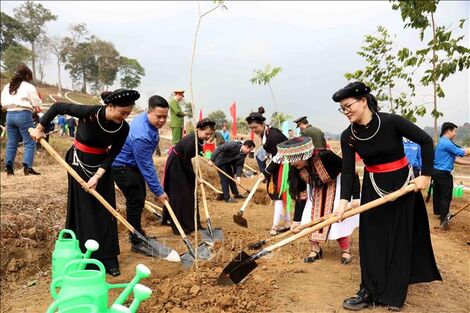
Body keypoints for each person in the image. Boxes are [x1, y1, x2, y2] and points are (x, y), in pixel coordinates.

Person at [332, 82, 441, 311]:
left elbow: (425, 141)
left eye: (348, 105)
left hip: (403, 185)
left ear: (363, 101)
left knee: (399, 239)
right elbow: (349, 171)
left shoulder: (391, 121)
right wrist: (342, 203)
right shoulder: (348, 136)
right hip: (373, 188)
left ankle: (393, 293)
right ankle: (368, 291)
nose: (346, 111)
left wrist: (427, 176)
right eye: (342, 108)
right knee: (372, 240)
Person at [30, 88, 139, 277]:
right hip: (78, 163)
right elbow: (57, 107)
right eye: (122, 113)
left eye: (128, 114)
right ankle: (86, 258)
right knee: (85, 209)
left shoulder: (123, 127)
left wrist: (97, 176)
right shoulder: (89, 113)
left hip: (101, 168)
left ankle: (109, 258)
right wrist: (40, 127)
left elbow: (113, 153)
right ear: (110, 106)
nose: (124, 117)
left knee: (106, 210)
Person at [275, 137, 360, 264]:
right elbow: (301, 195)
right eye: (289, 160)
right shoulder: (296, 170)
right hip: (315, 191)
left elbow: (350, 172)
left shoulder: (325, 156)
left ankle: (345, 250)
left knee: (337, 220)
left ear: (304, 155)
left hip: (339, 187)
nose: (291, 163)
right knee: (310, 219)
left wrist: (355, 197)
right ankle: (315, 249)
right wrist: (296, 220)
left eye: (294, 159)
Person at [112, 95, 169, 256]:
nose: (162, 120)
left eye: (165, 116)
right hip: (122, 167)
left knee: (138, 199)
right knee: (135, 201)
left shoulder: (145, 121)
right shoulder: (141, 135)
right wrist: (159, 192)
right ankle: (136, 241)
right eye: (159, 116)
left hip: (132, 165)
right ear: (149, 112)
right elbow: (147, 166)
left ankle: (138, 233)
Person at [162, 118, 215, 234]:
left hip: (183, 163)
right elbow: (186, 164)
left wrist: (206, 158)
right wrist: (195, 178)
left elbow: (197, 152)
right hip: (176, 165)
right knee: (180, 195)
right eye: (206, 133)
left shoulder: (198, 139)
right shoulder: (191, 142)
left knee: (191, 193)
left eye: (210, 134)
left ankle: (193, 223)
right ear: (198, 130)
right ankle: (178, 227)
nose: (208, 136)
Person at [246, 106, 290, 236]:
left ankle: (275, 226)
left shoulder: (272, 136)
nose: (254, 130)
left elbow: (279, 156)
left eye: (256, 127)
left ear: (262, 124)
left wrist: (266, 172)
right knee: (279, 195)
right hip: (279, 164)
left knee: (279, 194)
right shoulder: (266, 133)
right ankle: (287, 223)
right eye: (252, 128)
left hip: (285, 166)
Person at [1, 64, 42, 176]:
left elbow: (2, 103)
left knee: (11, 142)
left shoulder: (7, 87)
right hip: (23, 114)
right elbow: (37, 103)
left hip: (9, 115)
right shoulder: (28, 87)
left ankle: (9, 166)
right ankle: (27, 167)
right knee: (29, 141)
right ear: (27, 75)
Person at [432, 122, 470, 230]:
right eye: (454, 131)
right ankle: (444, 221)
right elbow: (461, 153)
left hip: (438, 172)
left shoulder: (443, 142)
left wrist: (469, 163)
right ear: (448, 131)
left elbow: (455, 159)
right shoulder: (446, 143)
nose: (455, 133)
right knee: (446, 196)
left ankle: (441, 213)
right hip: (443, 173)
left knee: (439, 194)